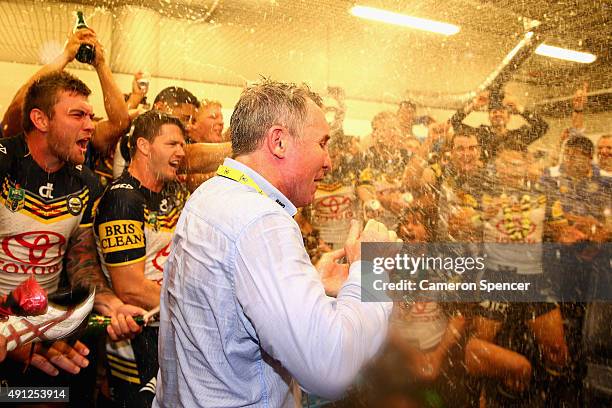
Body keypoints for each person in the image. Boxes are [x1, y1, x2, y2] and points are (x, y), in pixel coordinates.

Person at [154, 80, 397, 407]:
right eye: (322, 144)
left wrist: (308, 282)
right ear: (279, 142)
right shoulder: (261, 222)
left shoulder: (210, 195)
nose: (329, 162)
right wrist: (371, 267)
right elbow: (331, 365)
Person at [0, 71, 142, 397]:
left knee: (51, 398)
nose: (91, 125)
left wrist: (109, 303)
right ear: (40, 119)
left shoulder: (87, 184)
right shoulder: (4, 164)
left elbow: (82, 263)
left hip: (43, 332)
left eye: (91, 116)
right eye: (77, 115)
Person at [95, 111, 187, 407]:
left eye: (183, 145)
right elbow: (130, 287)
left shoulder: (173, 191)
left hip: (169, 327)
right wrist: (195, 309)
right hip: (136, 337)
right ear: (144, 146)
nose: (182, 152)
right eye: (172, 144)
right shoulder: (123, 199)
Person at [450, 89, 548, 162]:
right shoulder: (480, 134)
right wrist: (473, 106)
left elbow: (542, 127)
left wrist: (520, 109)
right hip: (483, 181)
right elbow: (454, 122)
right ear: (489, 117)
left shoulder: (518, 137)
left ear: (509, 117)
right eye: (494, 112)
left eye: (502, 111)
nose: (498, 114)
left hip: (510, 180)